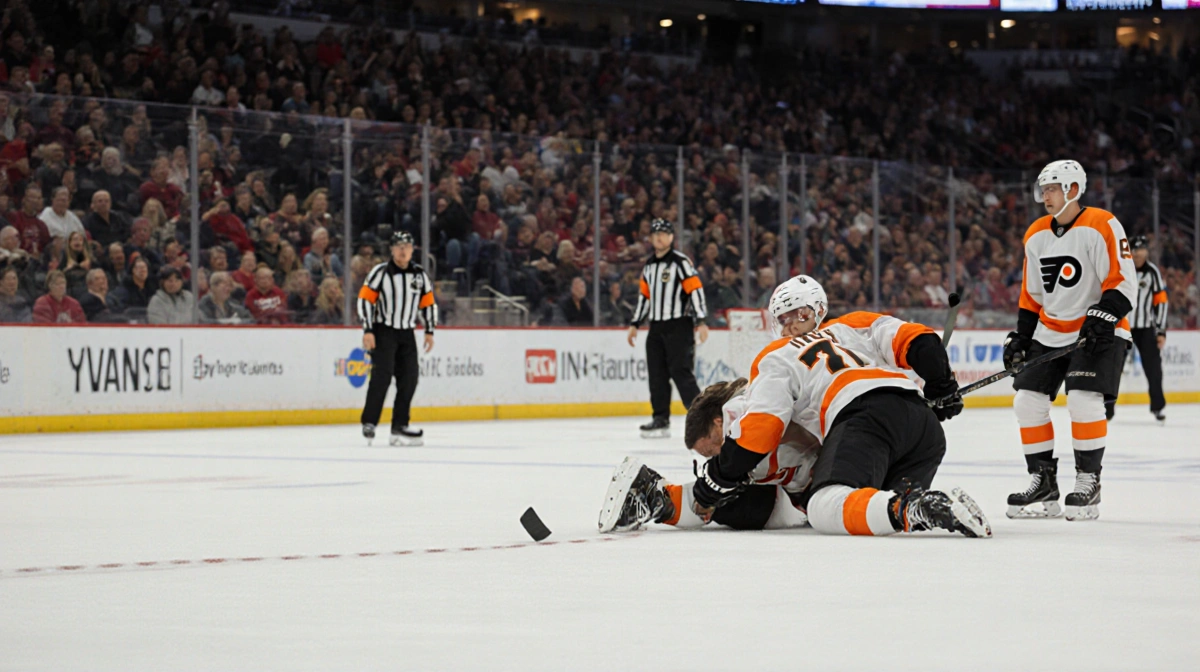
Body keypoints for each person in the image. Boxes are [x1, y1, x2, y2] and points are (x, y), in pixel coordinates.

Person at [689, 275, 988, 538]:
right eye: (783, 318)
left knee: (824, 504)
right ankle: (921, 506)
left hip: (864, 418)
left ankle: (913, 507)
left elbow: (761, 428)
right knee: (874, 508)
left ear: (818, 309)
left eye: (799, 314)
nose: (791, 323)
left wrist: (717, 478)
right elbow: (918, 339)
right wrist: (940, 383)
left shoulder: (776, 354)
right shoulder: (852, 326)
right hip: (923, 430)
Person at [1003, 160, 1136, 522]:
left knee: (1083, 399)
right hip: (1051, 332)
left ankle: (1088, 480)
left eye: (1052, 188)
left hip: (1099, 331)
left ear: (1073, 190)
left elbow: (1123, 282)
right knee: (1026, 402)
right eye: (1043, 189)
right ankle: (1042, 480)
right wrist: (1021, 336)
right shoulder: (1035, 234)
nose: (1045, 196)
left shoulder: (1102, 224)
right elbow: (1031, 295)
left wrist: (1103, 314)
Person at [600, 378, 818, 533]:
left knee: (752, 506)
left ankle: (656, 496)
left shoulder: (740, 409)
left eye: (713, 449)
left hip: (828, 470)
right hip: (807, 485)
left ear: (718, 422)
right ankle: (659, 498)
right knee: (753, 507)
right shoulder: (749, 406)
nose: (716, 458)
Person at [626, 218, 708, 438]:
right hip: (656, 327)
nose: (659, 237)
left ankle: (702, 419)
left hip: (678, 325)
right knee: (657, 374)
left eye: (663, 233)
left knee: (681, 372)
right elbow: (645, 297)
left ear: (672, 237)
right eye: (655, 234)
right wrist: (635, 323)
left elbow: (695, 290)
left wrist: (700, 320)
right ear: (651, 239)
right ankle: (660, 418)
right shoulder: (649, 266)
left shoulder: (681, 262)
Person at [357, 231, 437, 446]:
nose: (403, 250)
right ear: (391, 250)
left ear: (412, 249)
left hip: (407, 333)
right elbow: (365, 300)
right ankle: (370, 422)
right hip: (384, 331)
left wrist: (429, 330)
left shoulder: (419, 275)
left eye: (407, 246)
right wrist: (368, 329)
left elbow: (428, 303)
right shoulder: (380, 273)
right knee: (381, 378)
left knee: (410, 378)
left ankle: (399, 425)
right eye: (399, 246)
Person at [1111, 235, 1167, 422]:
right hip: (1122, 326)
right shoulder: (1122, 270)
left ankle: (1158, 407)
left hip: (1145, 328)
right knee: (1113, 367)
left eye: (1142, 250)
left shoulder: (1153, 272)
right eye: (1135, 250)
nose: (1138, 254)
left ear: (1147, 251)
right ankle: (1107, 409)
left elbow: (1161, 302)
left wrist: (1160, 331)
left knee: (1154, 369)